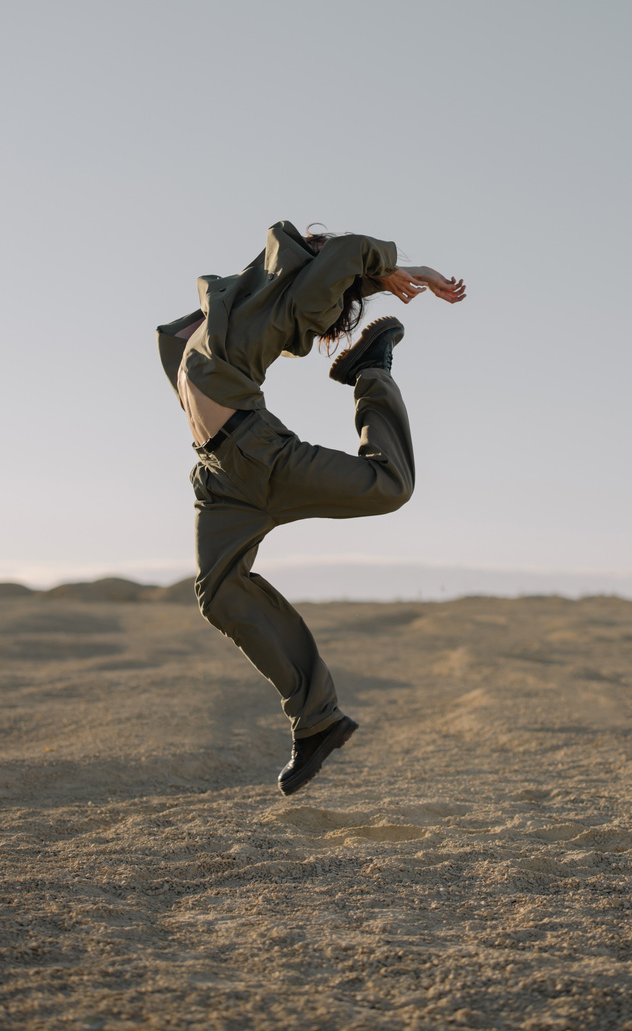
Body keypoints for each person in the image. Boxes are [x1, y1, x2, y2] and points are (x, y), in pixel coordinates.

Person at [157, 221, 466, 796]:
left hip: (255, 455)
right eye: (330, 314)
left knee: (391, 486)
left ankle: (371, 370)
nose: (320, 328)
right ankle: (318, 719)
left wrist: (376, 277)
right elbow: (349, 251)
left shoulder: (244, 302)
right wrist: (402, 269)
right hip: (226, 474)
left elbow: (339, 259)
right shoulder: (275, 300)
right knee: (219, 593)